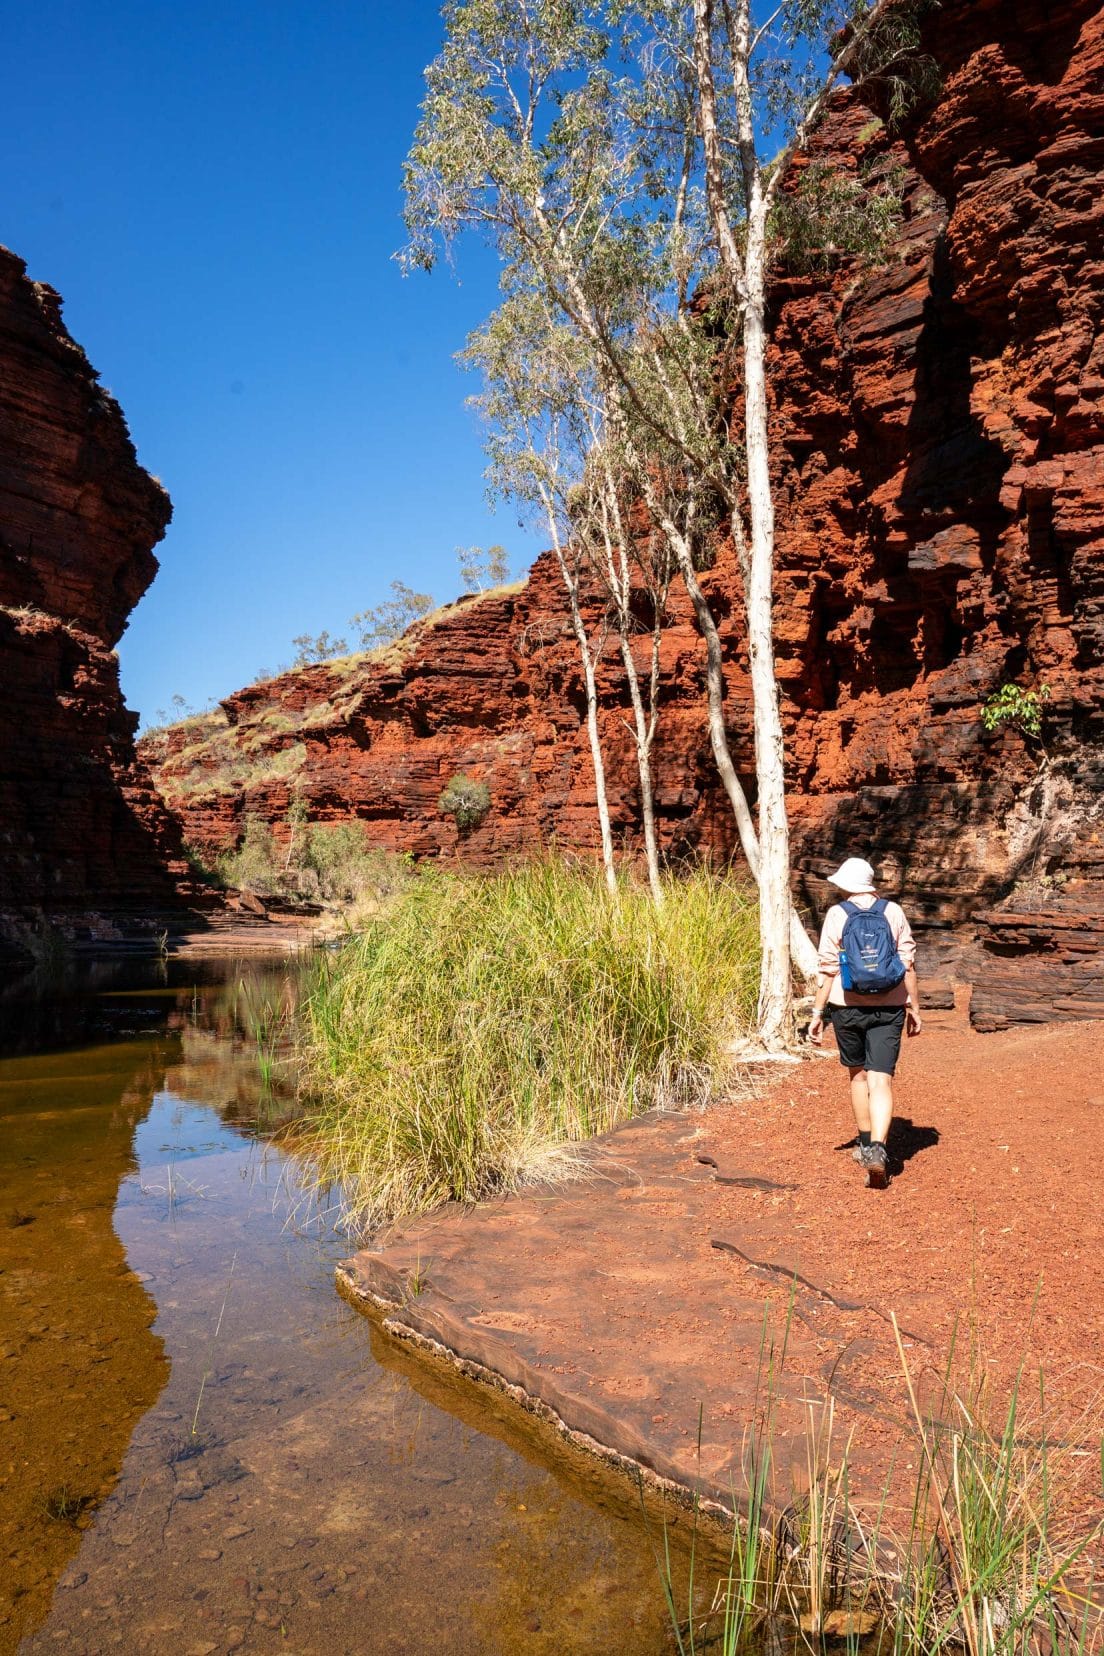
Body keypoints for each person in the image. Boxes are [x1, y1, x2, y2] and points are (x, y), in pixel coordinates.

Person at [806, 857, 922, 1189]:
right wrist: (914, 1007)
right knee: (881, 1081)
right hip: (890, 1006)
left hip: (847, 1007)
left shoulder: (837, 914)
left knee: (858, 1076)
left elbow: (827, 968)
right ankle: (879, 1150)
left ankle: (864, 1142)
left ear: (845, 884)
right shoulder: (893, 911)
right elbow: (908, 963)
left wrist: (817, 1014)